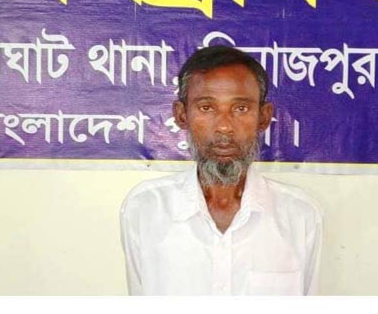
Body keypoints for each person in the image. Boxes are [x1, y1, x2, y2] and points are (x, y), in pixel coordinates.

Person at [119, 45, 323, 295]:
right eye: (207, 108)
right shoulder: (146, 208)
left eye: (240, 108)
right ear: (181, 115)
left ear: (263, 117)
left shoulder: (299, 215)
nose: (224, 127)